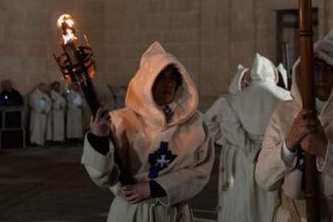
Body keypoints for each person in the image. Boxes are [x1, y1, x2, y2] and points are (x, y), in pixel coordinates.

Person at [256, 29, 333, 222]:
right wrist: (289, 143)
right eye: (315, 68)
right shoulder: (284, 113)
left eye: (329, 69)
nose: (322, 78)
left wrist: (326, 150)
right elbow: (263, 178)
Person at [82, 41, 213, 221]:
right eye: (160, 77)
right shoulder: (121, 121)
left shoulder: (195, 124)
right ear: (147, 82)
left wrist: (155, 188)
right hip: (132, 212)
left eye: (172, 77)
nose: (167, 83)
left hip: (173, 213)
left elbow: (200, 172)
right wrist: (99, 139)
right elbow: (103, 178)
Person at [224, 53, 292, 221]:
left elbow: (231, 128)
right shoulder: (285, 96)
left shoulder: (236, 98)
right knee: (271, 201)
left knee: (247, 202)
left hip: (246, 158)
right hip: (275, 156)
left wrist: (252, 150)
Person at [203, 64, 250, 218]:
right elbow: (207, 123)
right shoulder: (226, 101)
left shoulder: (255, 103)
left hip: (251, 154)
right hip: (234, 153)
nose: (246, 84)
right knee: (232, 192)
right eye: (244, 80)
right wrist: (225, 139)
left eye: (250, 81)